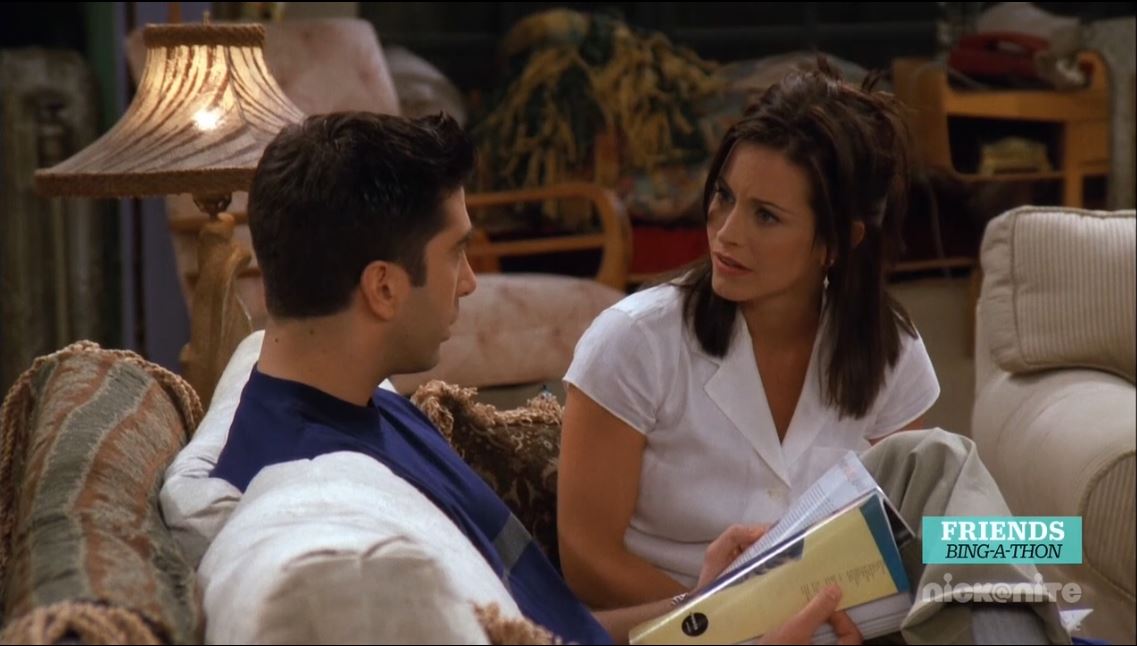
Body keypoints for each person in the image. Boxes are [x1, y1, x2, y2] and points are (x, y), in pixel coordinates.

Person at [208, 111, 861, 645]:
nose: (470, 282)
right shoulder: (333, 494)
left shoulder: (366, 407)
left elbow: (553, 627)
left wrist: (711, 606)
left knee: (909, 536)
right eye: (457, 252)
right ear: (383, 287)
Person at [557, 63, 1066, 644]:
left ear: (837, 242)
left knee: (986, 511)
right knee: (951, 477)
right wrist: (731, 614)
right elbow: (585, 556)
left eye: (765, 216)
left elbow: (911, 531)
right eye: (724, 196)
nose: (726, 231)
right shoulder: (633, 342)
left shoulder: (886, 347)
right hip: (689, 627)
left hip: (845, 626)